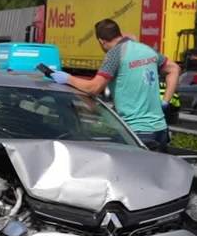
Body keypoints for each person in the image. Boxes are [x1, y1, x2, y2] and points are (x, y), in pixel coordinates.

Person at [51, 18, 180, 148]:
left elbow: (94, 87)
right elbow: (174, 69)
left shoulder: (114, 54)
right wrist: (165, 101)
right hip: (161, 129)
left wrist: (68, 78)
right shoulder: (147, 49)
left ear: (101, 41)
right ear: (119, 33)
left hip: (136, 132)